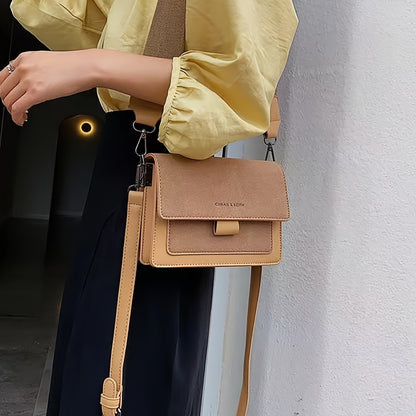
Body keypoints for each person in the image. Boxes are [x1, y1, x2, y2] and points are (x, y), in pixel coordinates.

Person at [0, 1, 298, 415]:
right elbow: (74, 18)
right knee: (98, 371)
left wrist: (94, 65)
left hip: (160, 176)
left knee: (131, 380)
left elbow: (237, 87)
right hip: (122, 168)